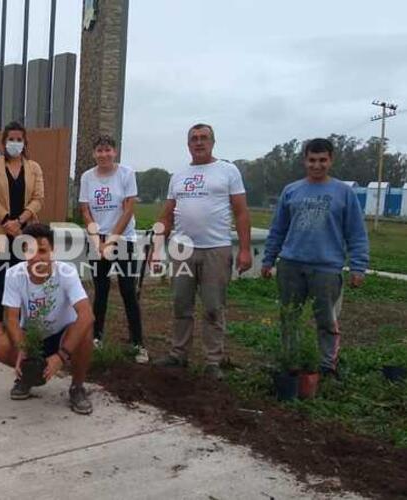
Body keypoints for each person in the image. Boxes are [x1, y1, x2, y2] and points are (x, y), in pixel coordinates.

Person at [261, 138, 369, 378]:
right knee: (289, 316)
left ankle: (326, 366)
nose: (317, 165)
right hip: (291, 265)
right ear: (304, 160)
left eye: (322, 160)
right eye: (312, 160)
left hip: (327, 268)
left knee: (327, 320)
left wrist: (358, 267)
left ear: (331, 160)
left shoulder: (344, 193)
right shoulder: (291, 190)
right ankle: (291, 362)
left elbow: (356, 233)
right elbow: (278, 229)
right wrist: (268, 259)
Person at [154, 123, 252, 379]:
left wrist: (244, 250)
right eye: (194, 139)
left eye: (204, 138)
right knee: (180, 304)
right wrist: (156, 245)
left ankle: (213, 361)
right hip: (182, 250)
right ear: (188, 144)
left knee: (213, 306)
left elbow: (241, 213)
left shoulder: (228, 171)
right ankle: (178, 355)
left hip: (216, 249)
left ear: (213, 142)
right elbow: (167, 215)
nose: (199, 142)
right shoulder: (178, 175)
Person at [0, 223, 95, 415]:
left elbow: (87, 314)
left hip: (63, 336)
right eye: (30, 251)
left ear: (52, 251)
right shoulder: (14, 274)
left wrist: (60, 357)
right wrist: (22, 350)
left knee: (85, 332)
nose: (37, 257)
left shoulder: (67, 272)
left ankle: (77, 387)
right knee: (1, 346)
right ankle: (27, 376)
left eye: (42, 251)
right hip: (33, 337)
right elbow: (12, 319)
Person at [78, 134, 147, 364]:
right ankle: (96, 337)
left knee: (128, 290)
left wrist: (113, 239)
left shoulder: (126, 174)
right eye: (99, 150)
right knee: (101, 290)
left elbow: (128, 209)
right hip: (98, 238)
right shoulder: (87, 177)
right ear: (94, 154)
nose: (104, 154)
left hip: (123, 238)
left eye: (108, 150)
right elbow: (85, 210)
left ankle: (138, 343)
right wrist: (97, 239)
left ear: (114, 152)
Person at [0, 121, 44, 339]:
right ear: (4, 141)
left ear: (25, 142)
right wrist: (7, 220)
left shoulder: (34, 168)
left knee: (22, 280)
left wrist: (20, 221)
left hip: (25, 232)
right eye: (11, 139)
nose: (15, 143)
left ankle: (17, 324)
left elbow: (38, 198)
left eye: (19, 139)